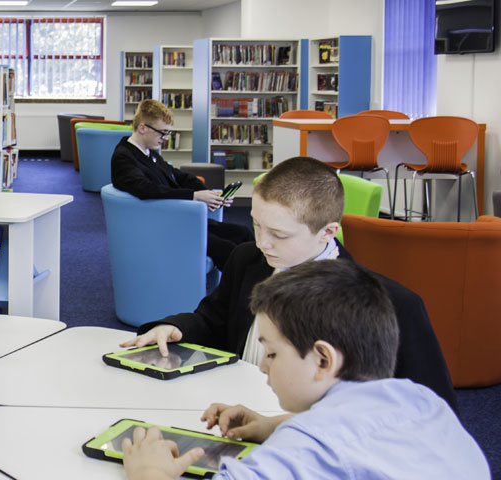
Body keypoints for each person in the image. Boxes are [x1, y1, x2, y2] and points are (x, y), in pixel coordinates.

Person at [120, 157, 457, 410]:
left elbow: (431, 412)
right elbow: (214, 320)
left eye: (278, 234)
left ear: (328, 232)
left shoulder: (394, 306)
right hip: (235, 413)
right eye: (256, 224)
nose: (262, 242)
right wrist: (175, 328)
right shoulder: (248, 259)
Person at [120, 260, 488, 479]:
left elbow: (319, 445)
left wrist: (149, 473)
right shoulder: (419, 399)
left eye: (273, 354)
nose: (261, 366)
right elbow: (351, 427)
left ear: (323, 360)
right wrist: (271, 424)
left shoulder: (301, 454)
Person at [112, 99, 253, 270]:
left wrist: (210, 194)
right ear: (142, 128)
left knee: (244, 233)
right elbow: (144, 188)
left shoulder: (150, 153)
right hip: (161, 226)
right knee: (228, 249)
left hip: (178, 218)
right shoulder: (124, 156)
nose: (164, 138)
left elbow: (178, 176)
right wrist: (194, 197)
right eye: (162, 133)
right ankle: (242, 292)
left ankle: (261, 284)